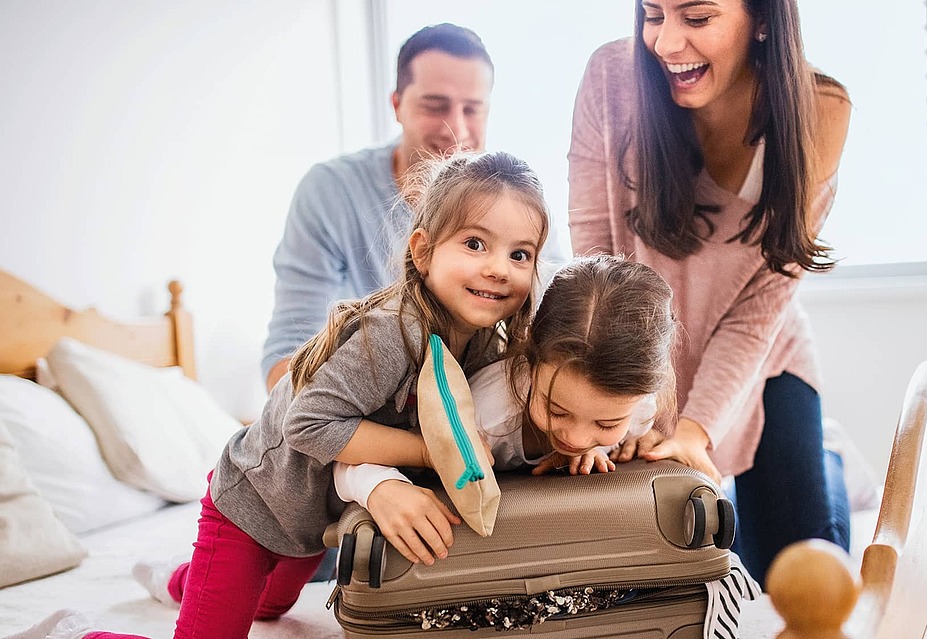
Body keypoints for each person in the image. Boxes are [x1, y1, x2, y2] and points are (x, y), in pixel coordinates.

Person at [16, 150, 551, 639]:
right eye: (475, 244)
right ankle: (74, 631)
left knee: (271, 608)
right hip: (251, 504)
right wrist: (428, 451)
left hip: (312, 521)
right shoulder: (392, 334)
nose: (498, 268)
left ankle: (177, 580)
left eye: (520, 254)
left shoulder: (483, 342)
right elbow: (310, 426)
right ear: (424, 249)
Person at [567, 0, 853, 587]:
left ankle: (829, 456)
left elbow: (758, 313)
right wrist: (630, 403)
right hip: (642, 355)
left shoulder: (819, 112)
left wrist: (695, 431)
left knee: (798, 574)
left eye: (697, 19)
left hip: (763, 360)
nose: (667, 43)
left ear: (765, 20)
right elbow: (595, 259)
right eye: (653, 14)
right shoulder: (612, 78)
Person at [262, 21, 563, 393]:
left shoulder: (518, 202)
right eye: (435, 106)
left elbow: (558, 324)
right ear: (397, 105)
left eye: (472, 109)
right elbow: (288, 361)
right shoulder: (329, 192)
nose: (456, 129)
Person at [334, 254, 679, 565]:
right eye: (557, 411)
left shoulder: (639, 405)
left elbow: (631, 428)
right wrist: (378, 487)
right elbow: (347, 456)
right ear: (529, 358)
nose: (577, 437)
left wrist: (619, 444)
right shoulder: (485, 414)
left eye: (606, 423)